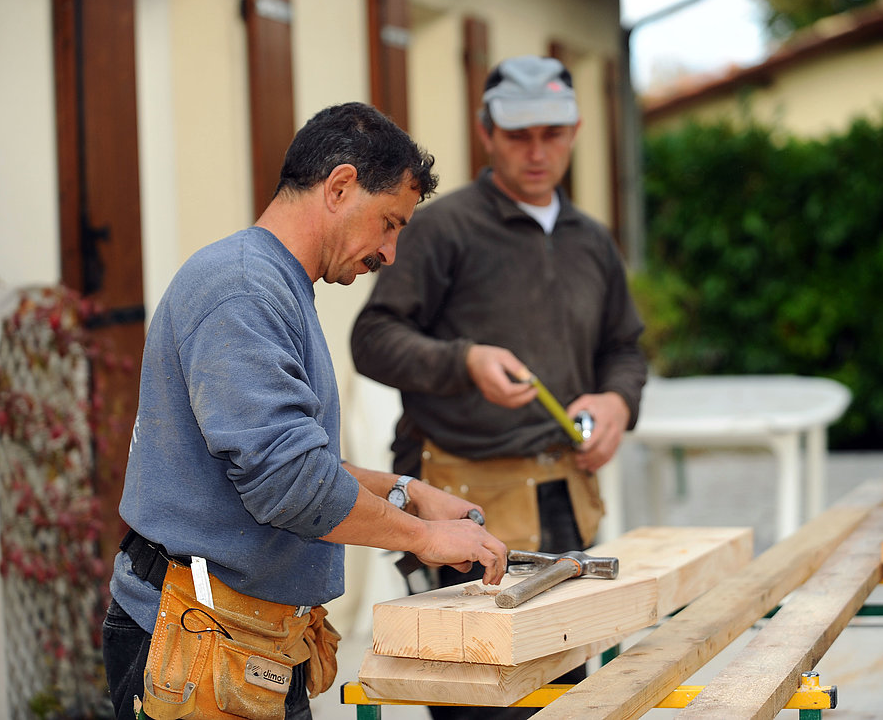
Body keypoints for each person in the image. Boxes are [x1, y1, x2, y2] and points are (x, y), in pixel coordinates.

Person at [101, 102, 508, 720]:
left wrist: (406, 492)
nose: (391, 253)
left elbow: (293, 462)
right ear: (340, 186)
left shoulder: (274, 285)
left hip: (237, 640)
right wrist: (423, 537)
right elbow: (289, 485)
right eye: (390, 223)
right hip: (196, 645)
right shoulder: (242, 289)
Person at [350, 57, 648, 718]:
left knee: (569, 696)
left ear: (575, 131)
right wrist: (466, 361)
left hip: (566, 498)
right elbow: (372, 338)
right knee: (480, 705)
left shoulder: (592, 240)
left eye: (552, 132)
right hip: (463, 508)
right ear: (486, 131)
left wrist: (616, 401)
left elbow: (624, 348)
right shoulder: (440, 227)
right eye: (518, 135)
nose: (537, 151)